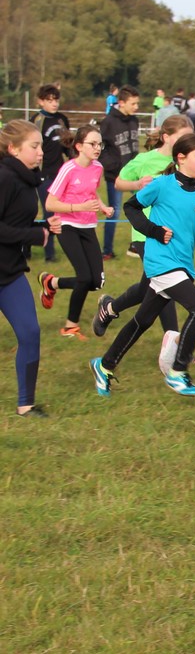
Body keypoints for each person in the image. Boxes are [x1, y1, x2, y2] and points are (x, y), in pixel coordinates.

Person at [90, 134, 195, 398]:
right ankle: (178, 371)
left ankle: (104, 365)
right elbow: (131, 207)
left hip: (183, 264)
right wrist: (154, 230)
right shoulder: (162, 185)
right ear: (181, 158)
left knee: (142, 320)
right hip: (161, 262)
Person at [94, 116, 192, 346]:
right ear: (166, 137)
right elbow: (119, 182)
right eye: (183, 137)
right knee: (166, 286)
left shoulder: (184, 162)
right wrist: (137, 185)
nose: (187, 142)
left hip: (171, 235)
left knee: (146, 289)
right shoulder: (145, 160)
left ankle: (109, 308)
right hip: (145, 232)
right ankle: (175, 348)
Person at [0, 120, 61, 417]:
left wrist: (42, 225)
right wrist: (34, 235)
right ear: (13, 149)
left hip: (10, 273)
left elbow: (13, 221)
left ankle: (26, 405)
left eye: (40, 146)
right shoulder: (4, 177)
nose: (41, 152)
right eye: (34, 146)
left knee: (29, 333)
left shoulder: (27, 179)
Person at [39, 123, 112, 339]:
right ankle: (70, 327)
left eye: (100, 144)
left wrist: (102, 206)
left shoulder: (97, 167)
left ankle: (52, 283)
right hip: (67, 225)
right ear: (79, 146)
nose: (97, 148)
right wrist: (79, 207)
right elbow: (50, 203)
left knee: (96, 282)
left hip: (88, 226)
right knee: (83, 277)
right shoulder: (68, 169)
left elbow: (92, 192)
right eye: (93, 144)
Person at [98, 85, 141, 259]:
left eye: (137, 103)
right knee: (114, 212)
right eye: (133, 103)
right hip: (115, 176)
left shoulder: (134, 120)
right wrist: (112, 166)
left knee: (143, 206)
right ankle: (107, 251)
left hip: (134, 174)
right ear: (121, 103)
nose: (136, 107)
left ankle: (137, 245)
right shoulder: (108, 122)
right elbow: (100, 148)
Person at [32, 84, 69, 263]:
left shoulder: (62, 119)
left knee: (59, 214)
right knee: (47, 213)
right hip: (42, 175)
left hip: (60, 174)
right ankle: (47, 253)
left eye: (56, 100)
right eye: (49, 100)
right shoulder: (36, 121)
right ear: (41, 101)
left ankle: (57, 248)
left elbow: (68, 146)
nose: (54, 103)